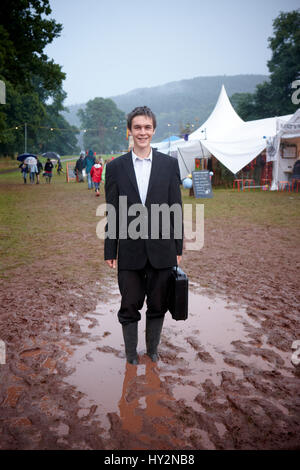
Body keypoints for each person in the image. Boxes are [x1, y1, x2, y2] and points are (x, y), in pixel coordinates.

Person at [105, 106, 183, 365]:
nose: (142, 132)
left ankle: (152, 350)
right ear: (130, 130)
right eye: (137, 127)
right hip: (129, 250)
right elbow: (112, 211)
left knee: (158, 304)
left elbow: (176, 209)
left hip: (163, 249)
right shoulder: (115, 167)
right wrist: (110, 250)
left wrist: (179, 247)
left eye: (147, 127)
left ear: (154, 130)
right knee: (129, 305)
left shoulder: (169, 165)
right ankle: (130, 355)